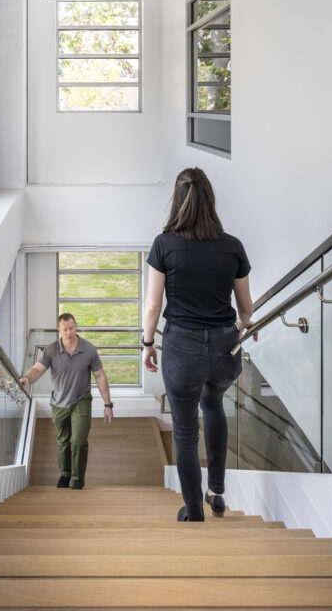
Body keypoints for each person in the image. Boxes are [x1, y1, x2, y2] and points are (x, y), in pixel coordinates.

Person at [143, 167, 254, 522]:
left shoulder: (164, 244)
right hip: (224, 348)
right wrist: (244, 325)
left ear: (177, 201)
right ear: (210, 200)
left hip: (182, 348)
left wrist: (147, 343)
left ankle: (194, 511)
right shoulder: (232, 246)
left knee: (185, 430)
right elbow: (246, 308)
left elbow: (153, 305)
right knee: (214, 403)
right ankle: (216, 492)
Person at [20, 313, 114, 489]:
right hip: (59, 403)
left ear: (76, 326)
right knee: (63, 441)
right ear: (59, 330)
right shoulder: (51, 350)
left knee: (78, 442)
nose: (69, 332)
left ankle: (77, 481)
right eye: (65, 329)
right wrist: (27, 378)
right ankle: (65, 474)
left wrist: (108, 404)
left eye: (71, 328)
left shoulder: (89, 349)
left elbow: (100, 375)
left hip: (81, 400)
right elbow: (37, 369)